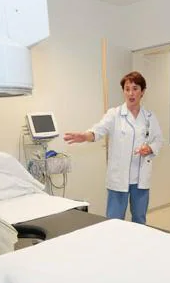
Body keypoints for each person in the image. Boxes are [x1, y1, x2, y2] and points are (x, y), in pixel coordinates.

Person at [63, 71, 163, 224]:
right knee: (114, 221)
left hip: (140, 178)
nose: (131, 93)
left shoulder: (149, 117)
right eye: (127, 89)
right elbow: (98, 130)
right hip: (119, 178)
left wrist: (149, 148)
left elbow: (158, 140)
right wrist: (85, 136)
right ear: (123, 91)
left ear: (142, 92)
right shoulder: (114, 114)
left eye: (135, 88)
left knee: (139, 219)